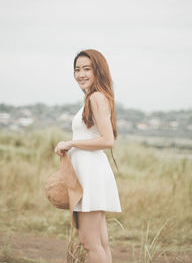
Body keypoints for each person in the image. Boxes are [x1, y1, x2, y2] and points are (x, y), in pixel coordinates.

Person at [54, 49, 122, 263]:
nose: (81, 74)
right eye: (77, 69)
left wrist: (72, 143)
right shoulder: (94, 98)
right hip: (90, 171)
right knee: (100, 243)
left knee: (89, 243)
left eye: (86, 69)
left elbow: (107, 140)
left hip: (91, 173)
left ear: (97, 71)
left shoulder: (96, 98)